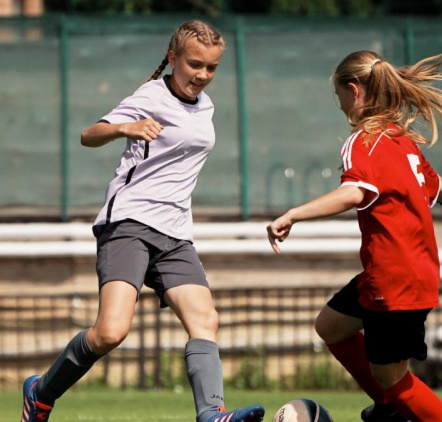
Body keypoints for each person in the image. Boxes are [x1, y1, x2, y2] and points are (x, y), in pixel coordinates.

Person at [20, 20, 265, 422]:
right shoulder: (150, 95)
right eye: (194, 64)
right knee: (110, 332)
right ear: (172, 58)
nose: (202, 75)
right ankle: (41, 393)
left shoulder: (206, 106)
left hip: (175, 233)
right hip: (130, 223)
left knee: (205, 318)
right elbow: (89, 134)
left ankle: (211, 414)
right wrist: (124, 128)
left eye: (212, 68)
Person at [266, 49, 442, 422]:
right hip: (406, 270)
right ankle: (391, 408)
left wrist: (294, 214)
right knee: (331, 325)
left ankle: (403, 406)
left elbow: (354, 191)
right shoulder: (403, 142)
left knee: (392, 376)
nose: (340, 105)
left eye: (339, 95)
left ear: (354, 91)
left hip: (395, 277)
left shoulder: (364, 142)